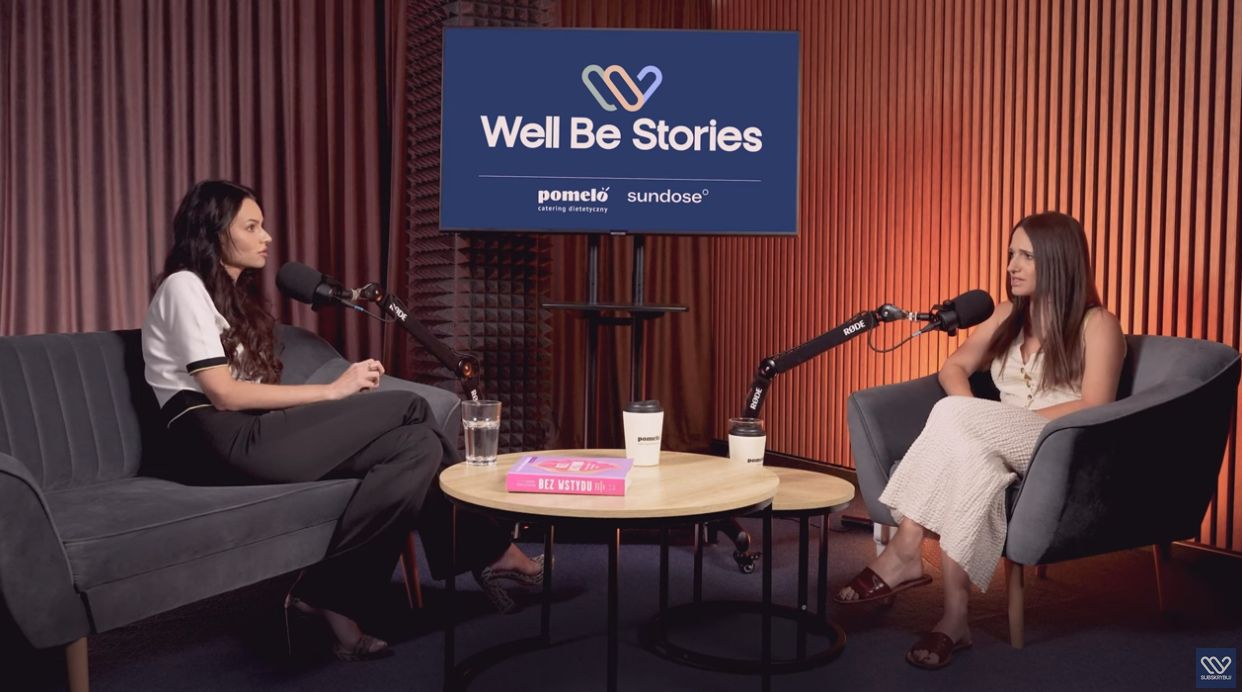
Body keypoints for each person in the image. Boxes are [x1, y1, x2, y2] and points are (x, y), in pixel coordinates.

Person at [141, 180, 543, 661]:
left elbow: (253, 395)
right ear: (214, 232)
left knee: (416, 446)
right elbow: (224, 395)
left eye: (262, 225)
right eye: (251, 227)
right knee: (411, 407)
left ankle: (331, 598)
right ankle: (492, 551)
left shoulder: (227, 297)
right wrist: (334, 391)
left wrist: (319, 413)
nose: (266, 237)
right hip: (213, 440)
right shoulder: (183, 286)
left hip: (249, 430)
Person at [833, 212, 1126, 669]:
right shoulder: (1009, 315)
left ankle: (906, 546)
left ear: (1059, 260)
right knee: (971, 458)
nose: (1011, 265)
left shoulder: (1098, 324)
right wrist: (974, 419)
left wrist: (976, 418)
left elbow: (1096, 403)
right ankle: (955, 620)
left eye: (1026, 256)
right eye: (1011, 254)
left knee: (958, 419)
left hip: (1055, 445)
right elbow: (953, 367)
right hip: (995, 440)